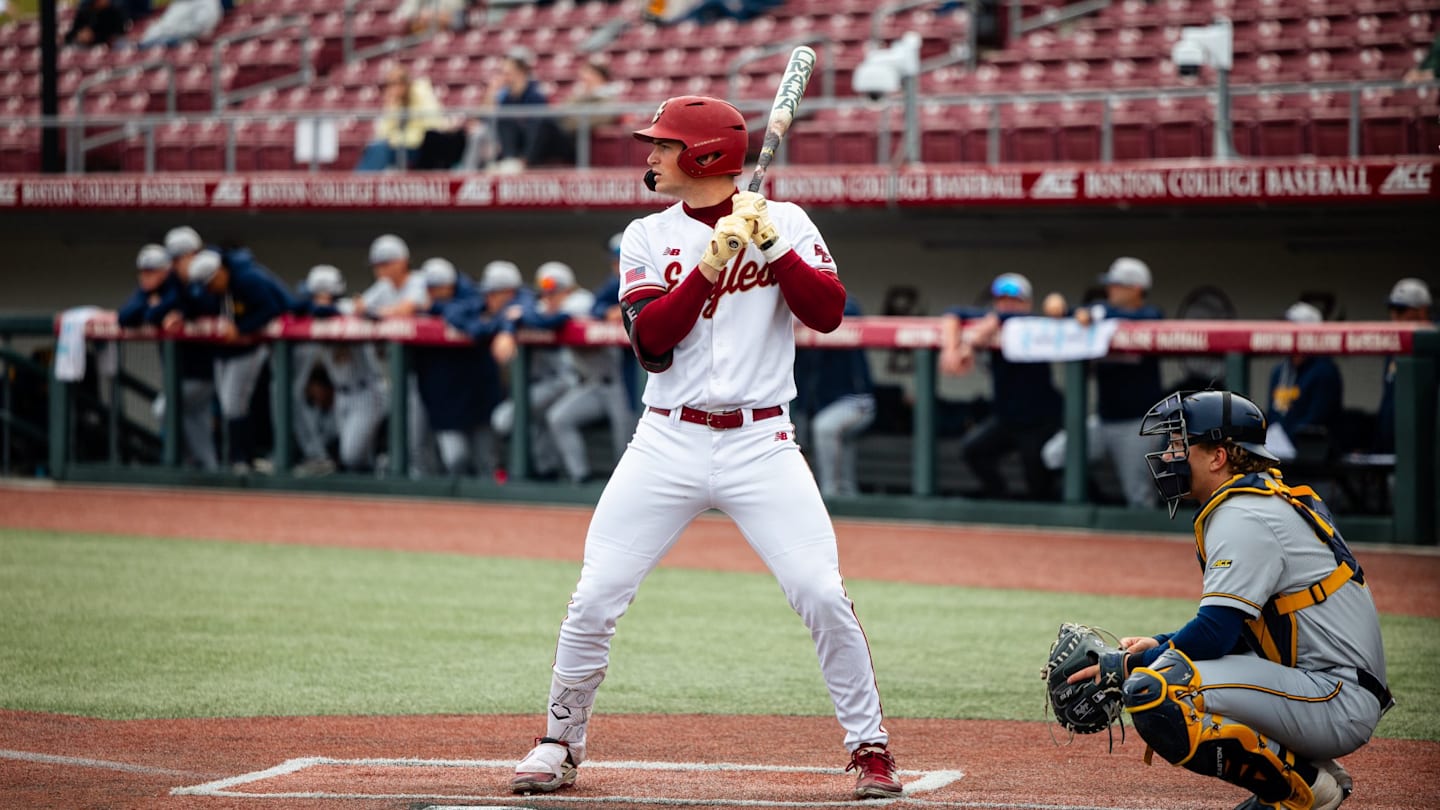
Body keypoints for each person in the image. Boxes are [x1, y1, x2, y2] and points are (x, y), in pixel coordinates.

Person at [510, 95, 902, 801]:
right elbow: (652, 344)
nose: (651, 156)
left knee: (821, 592)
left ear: (706, 157)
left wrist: (773, 249)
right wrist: (711, 263)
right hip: (666, 438)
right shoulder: (644, 236)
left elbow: (830, 313)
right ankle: (559, 742)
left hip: (763, 440)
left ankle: (870, 747)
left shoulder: (786, 221)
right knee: (595, 595)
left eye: (664, 145)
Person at [1068, 389, 1391, 810]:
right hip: (1321, 685)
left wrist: (1130, 664)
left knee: (1156, 688)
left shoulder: (1245, 514)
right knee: (1170, 666)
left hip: (1333, 696)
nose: (1168, 455)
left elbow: (1217, 634)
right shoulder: (1257, 501)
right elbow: (1236, 631)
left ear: (1218, 456)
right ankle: (1306, 774)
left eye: (1180, 444)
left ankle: (1306, 787)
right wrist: (1161, 643)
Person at [1040, 257, 1165, 508]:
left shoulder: (1149, 316)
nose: (1111, 290)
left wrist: (1093, 313)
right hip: (1104, 419)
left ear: (1136, 289)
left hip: (1138, 424)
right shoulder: (1100, 317)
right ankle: (1094, 504)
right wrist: (1064, 309)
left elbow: (1141, 317)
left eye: (1117, 285)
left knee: (1139, 498)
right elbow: (1074, 313)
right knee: (1054, 455)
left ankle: (1141, 544)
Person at [939, 273, 1062, 500]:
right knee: (973, 450)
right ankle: (999, 495)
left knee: (1038, 481)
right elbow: (952, 313)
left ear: (1027, 302)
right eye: (1001, 298)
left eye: (1014, 299)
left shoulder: (1033, 323)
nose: (1006, 304)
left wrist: (974, 341)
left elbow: (1007, 318)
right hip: (1006, 419)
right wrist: (950, 349)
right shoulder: (991, 319)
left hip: (1039, 420)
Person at [183, 247, 295, 473]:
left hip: (257, 346)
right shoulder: (218, 289)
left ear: (220, 273)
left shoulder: (248, 279)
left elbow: (272, 308)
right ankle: (241, 458)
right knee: (229, 404)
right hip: (231, 350)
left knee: (235, 403)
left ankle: (242, 460)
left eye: (209, 283)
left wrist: (241, 329)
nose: (208, 290)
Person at [292, 265, 389, 475]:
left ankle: (383, 468)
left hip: (367, 391)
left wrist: (313, 306)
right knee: (351, 456)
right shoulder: (316, 314)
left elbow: (325, 310)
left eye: (315, 294)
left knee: (351, 455)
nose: (311, 299)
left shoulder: (347, 308)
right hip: (341, 396)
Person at [355, 233, 438, 477]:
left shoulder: (420, 281)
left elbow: (408, 308)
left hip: (428, 370)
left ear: (402, 261)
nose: (380, 271)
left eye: (386, 263)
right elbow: (359, 306)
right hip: (399, 374)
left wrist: (378, 312)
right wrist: (375, 310)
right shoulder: (384, 287)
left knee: (420, 436)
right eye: (377, 265)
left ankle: (426, 483)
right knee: (404, 433)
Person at [414, 258, 502, 478]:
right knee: (456, 459)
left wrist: (437, 308)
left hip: (478, 392)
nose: (435, 291)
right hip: (443, 394)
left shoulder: (472, 299)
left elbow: (469, 316)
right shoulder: (416, 300)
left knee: (487, 462)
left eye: (440, 286)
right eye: (431, 288)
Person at [793, 295, 876, 497]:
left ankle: (829, 495)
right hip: (816, 405)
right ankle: (847, 496)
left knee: (824, 427)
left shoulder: (846, 306)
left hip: (856, 401)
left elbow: (848, 311)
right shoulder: (787, 312)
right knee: (810, 433)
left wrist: (799, 316)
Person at [156, 226, 220, 472]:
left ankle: (182, 464)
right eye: (173, 259)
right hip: (182, 370)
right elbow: (144, 309)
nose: (176, 265)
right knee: (196, 425)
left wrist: (183, 308)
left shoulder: (208, 273)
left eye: (180, 258)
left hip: (204, 368)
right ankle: (204, 472)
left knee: (164, 409)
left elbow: (207, 303)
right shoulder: (171, 281)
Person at [1265, 301, 1342, 463]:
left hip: (1313, 462)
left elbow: (1316, 419)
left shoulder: (1324, 371)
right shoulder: (1279, 371)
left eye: (1291, 328)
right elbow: (1273, 414)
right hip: (1277, 456)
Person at [1374, 278, 1433, 454]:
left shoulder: (1433, 345)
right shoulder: (1394, 348)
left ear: (1422, 311)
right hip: (1393, 444)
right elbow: (1388, 402)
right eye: (1392, 309)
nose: (1394, 316)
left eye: (1400, 310)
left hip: (1425, 448)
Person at [355, 65, 446, 172]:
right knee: (376, 148)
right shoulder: (394, 102)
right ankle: (360, 184)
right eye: (389, 84)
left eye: (396, 83)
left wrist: (412, 99)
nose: (392, 88)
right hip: (398, 146)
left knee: (380, 149)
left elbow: (434, 123)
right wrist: (391, 106)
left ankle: (362, 184)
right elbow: (382, 133)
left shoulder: (422, 94)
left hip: (420, 147)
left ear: (405, 83)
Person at [136, 0, 221, 48]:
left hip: (182, 42)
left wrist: (171, 32)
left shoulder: (207, 3)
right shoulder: (178, 4)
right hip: (160, 40)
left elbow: (200, 28)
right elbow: (163, 25)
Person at [65, 0, 129, 47]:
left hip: (107, 47)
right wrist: (78, 36)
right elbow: (72, 32)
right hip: (84, 46)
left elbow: (119, 32)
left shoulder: (115, 12)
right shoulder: (85, 10)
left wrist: (94, 37)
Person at [390, 0, 465, 35]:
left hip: (447, 35)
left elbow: (457, 20)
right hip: (417, 36)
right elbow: (402, 14)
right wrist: (420, 15)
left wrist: (432, 16)